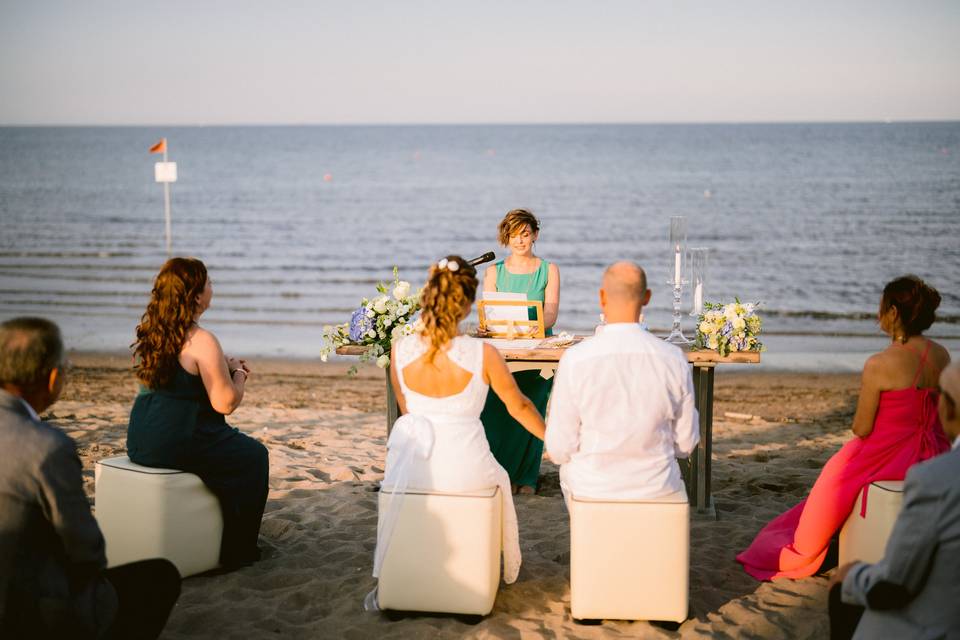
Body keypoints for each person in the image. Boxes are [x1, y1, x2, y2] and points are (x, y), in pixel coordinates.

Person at [737, 275, 951, 580]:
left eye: (881, 307)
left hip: (888, 456)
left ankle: (807, 547)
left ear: (892, 312)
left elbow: (862, 428)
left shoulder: (880, 363)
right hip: (934, 452)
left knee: (832, 480)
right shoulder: (941, 354)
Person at [0, 317, 180, 639]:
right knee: (161, 575)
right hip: (25, 611)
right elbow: (87, 550)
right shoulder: (46, 448)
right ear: (54, 377)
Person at [373, 255, 546, 586]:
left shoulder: (400, 349)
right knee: (499, 476)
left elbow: (407, 409)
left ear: (428, 297)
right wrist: (552, 441)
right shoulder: (484, 354)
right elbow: (520, 406)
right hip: (466, 469)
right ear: (467, 306)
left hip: (412, 469)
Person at [127, 257, 269, 569]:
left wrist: (221, 366)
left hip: (140, 438)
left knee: (231, 450)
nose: (212, 288)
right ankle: (238, 551)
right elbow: (225, 404)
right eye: (208, 283)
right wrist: (239, 374)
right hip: (178, 439)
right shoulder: (201, 339)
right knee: (254, 457)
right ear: (195, 296)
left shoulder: (154, 331)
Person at [545, 261, 699, 504]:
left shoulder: (575, 359)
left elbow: (558, 448)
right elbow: (686, 444)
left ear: (601, 298)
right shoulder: (673, 359)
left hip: (593, 490)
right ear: (646, 298)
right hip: (656, 489)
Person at [827, 361, 960, 639]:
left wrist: (850, 576)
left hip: (938, 625)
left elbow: (894, 584)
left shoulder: (934, 479)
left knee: (843, 587)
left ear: (949, 409)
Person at [481, 208, 561, 494]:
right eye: (514, 235)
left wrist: (525, 325)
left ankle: (526, 477)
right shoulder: (493, 271)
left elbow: (550, 315)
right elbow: (488, 313)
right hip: (501, 351)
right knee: (494, 407)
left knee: (534, 403)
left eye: (525, 234)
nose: (520, 240)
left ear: (535, 235)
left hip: (538, 350)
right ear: (506, 237)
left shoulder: (548, 269)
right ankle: (498, 474)